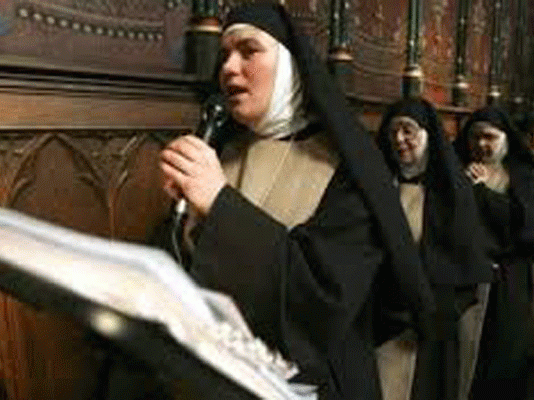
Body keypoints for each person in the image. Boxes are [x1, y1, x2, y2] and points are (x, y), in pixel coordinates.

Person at [155, 3, 437, 399]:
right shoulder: (222, 151)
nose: (229, 68)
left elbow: (321, 298)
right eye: (225, 55)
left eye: (248, 51)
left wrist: (219, 204)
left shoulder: (349, 167)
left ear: (291, 68)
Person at [375, 98, 493, 400]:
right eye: (392, 132)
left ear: (428, 135)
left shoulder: (452, 192)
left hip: (428, 323)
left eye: (408, 130)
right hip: (378, 316)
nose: (399, 139)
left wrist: (428, 310)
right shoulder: (378, 185)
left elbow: (463, 266)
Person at [453, 106, 534, 400]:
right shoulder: (458, 169)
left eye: (489, 137)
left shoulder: (524, 176)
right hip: (466, 279)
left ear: (506, 139)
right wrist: (465, 186)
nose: (481, 144)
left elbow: (524, 228)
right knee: (464, 361)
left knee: (506, 355)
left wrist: (483, 191)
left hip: (511, 281)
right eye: (474, 137)